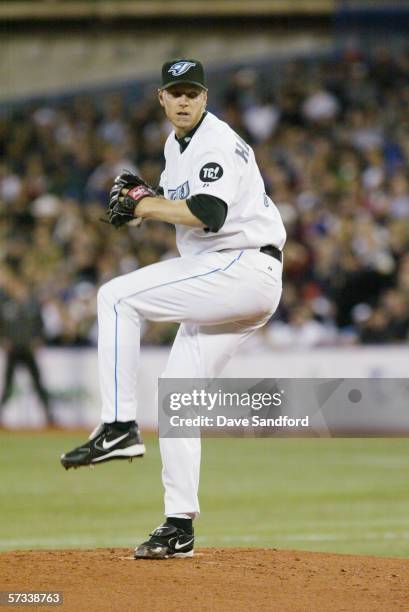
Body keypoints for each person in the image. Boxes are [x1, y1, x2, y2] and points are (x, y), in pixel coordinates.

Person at [61, 59, 286, 559]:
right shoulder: (174, 146)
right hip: (234, 276)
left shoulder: (214, 141)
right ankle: (178, 525)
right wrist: (150, 207)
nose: (184, 101)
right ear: (161, 98)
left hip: (241, 267)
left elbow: (210, 214)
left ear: (205, 98)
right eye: (175, 92)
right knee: (179, 399)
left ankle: (118, 426)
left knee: (115, 297)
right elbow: (184, 210)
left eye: (193, 92)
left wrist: (143, 204)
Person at [0, 272, 54, 425]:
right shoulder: (6, 306)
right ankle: (1, 415)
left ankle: (49, 416)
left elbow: (41, 327)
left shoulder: (33, 307)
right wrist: (3, 341)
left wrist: (38, 340)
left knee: (38, 383)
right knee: (8, 385)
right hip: (13, 350)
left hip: (28, 350)